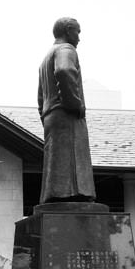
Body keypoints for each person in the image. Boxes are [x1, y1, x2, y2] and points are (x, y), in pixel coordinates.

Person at [37, 17, 95, 204]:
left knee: (55, 162)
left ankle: (54, 196)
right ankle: (75, 196)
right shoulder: (65, 50)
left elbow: (40, 96)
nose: (79, 37)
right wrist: (74, 103)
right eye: (78, 32)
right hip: (65, 113)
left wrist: (45, 114)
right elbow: (63, 70)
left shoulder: (46, 57)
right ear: (68, 31)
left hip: (51, 115)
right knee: (72, 160)